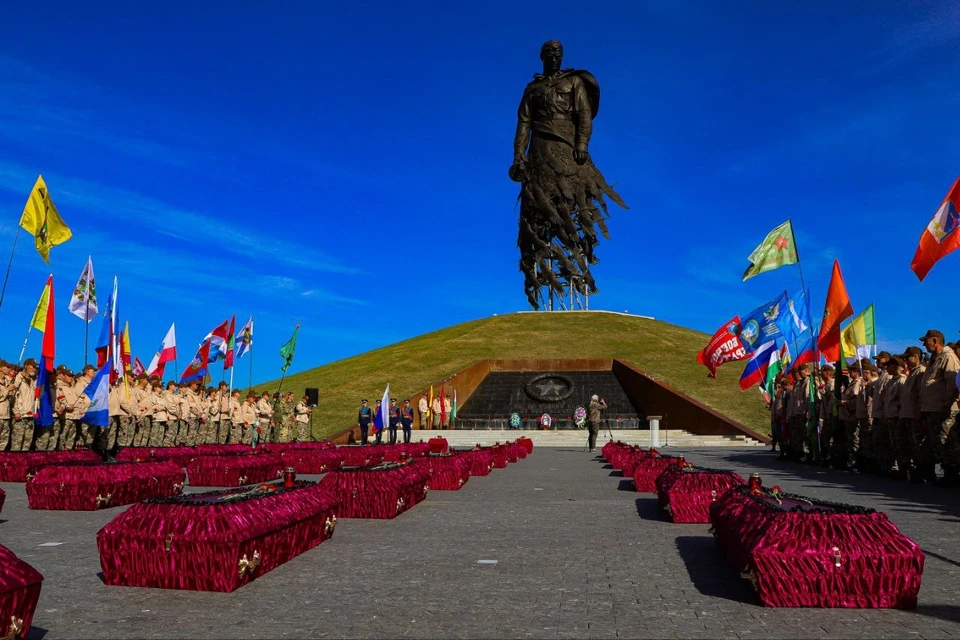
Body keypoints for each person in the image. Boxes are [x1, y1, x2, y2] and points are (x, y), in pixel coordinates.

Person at [917, 329, 960, 485]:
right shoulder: (934, 359)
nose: (923, 344)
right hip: (932, 408)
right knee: (937, 442)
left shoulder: (948, 357)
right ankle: (944, 472)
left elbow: (952, 383)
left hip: (944, 408)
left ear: (935, 341)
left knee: (947, 441)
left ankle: (952, 473)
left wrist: (947, 404)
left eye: (926, 341)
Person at [901, 346, 926, 483]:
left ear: (916, 357)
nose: (905, 361)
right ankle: (914, 469)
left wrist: (920, 414)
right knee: (910, 444)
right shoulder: (912, 373)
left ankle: (922, 471)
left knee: (918, 445)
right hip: (908, 414)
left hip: (915, 415)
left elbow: (920, 396)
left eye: (907, 358)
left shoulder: (921, 372)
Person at [10, 359, 37, 451]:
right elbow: (13, 396)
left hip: (30, 416)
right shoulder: (18, 378)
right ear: (26, 366)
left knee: (27, 444)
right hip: (20, 415)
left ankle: (23, 464)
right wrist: (16, 411)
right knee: (16, 445)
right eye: (32, 366)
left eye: (35, 367)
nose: (34, 368)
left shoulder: (34, 381)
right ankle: (12, 464)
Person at [162, 381, 181, 447]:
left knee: (174, 433)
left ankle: (171, 448)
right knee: (169, 433)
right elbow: (170, 406)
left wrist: (179, 413)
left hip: (176, 417)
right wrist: (176, 414)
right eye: (174, 386)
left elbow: (178, 405)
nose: (176, 387)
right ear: (170, 386)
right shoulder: (167, 394)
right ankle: (166, 448)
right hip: (170, 416)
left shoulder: (174, 395)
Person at [0, 361, 13, 451]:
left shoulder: (7, 381)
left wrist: (10, 393)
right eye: (7, 367)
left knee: (3, 442)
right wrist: (7, 390)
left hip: (6, 416)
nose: (9, 369)